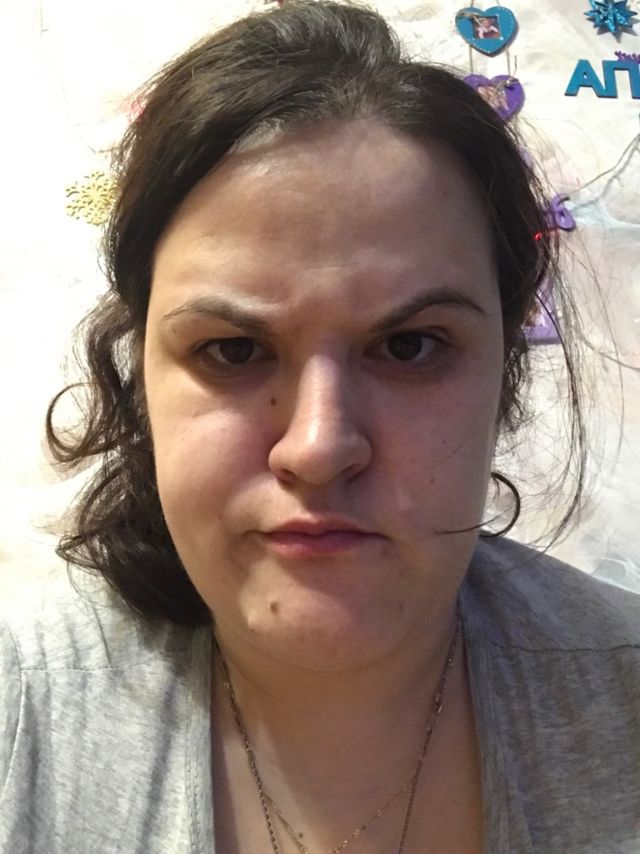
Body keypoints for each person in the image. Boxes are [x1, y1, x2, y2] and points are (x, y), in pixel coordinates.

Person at [1, 2, 639, 852]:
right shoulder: (22, 711)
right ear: (140, 376)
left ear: (505, 374)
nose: (318, 447)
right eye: (233, 350)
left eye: (410, 346)